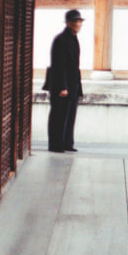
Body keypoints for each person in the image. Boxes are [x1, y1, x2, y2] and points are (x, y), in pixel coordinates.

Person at [45, 9, 84, 152]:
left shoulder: (74, 39)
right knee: (58, 115)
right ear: (68, 23)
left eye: (79, 22)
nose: (78, 24)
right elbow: (58, 65)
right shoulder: (60, 40)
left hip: (73, 84)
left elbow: (74, 65)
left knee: (70, 115)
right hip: (62, 84)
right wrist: (62, 86)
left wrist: (77, 86)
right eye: (76, 22)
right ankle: (56, 144)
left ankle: (67, 142)